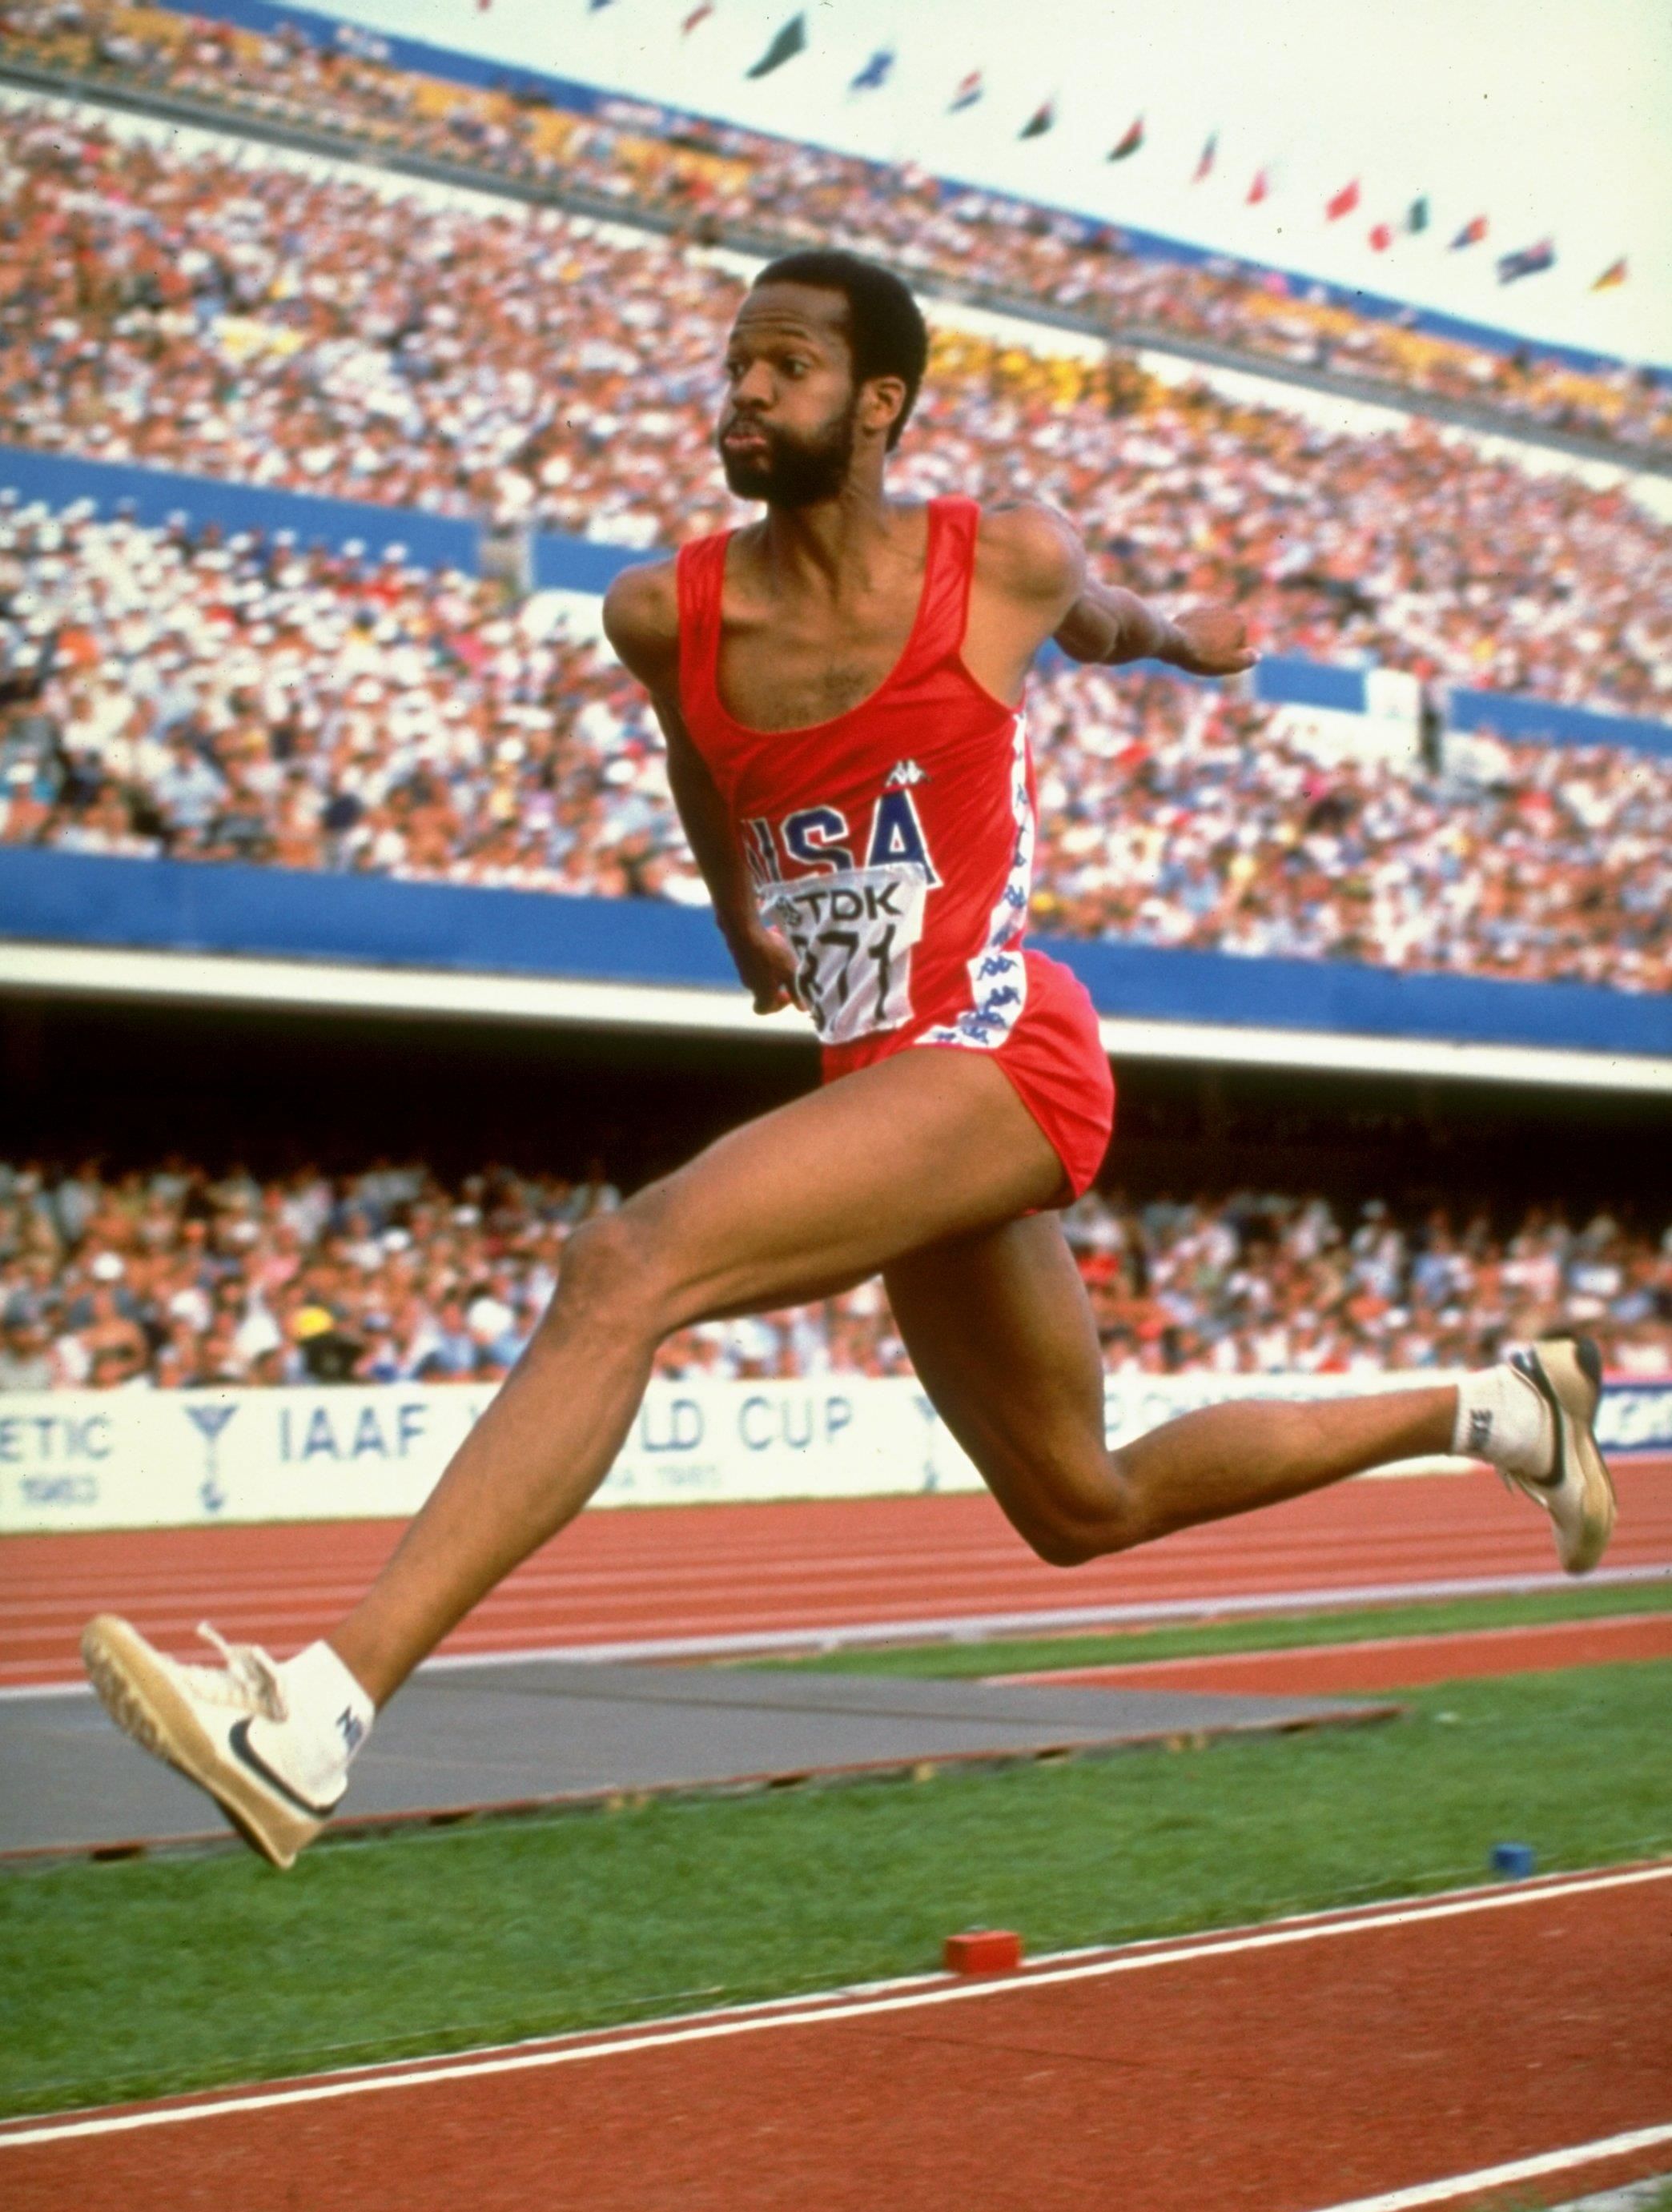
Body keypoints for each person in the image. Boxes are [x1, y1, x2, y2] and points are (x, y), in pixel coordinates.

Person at [81, 250, 1616, 1869]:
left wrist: (1184, 639)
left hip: (1002, 1050)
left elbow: (1095, 617)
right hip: (882, 1079)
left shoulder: (1000, 557)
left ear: (879, 403)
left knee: (626, 1263)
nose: (747, 390)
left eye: (789, 365)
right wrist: (745, 923)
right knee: (1079, 1507)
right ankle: (1500, 1410)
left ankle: (320, 1711)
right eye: (739, 362)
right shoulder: (660, 610)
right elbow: (698, 762)